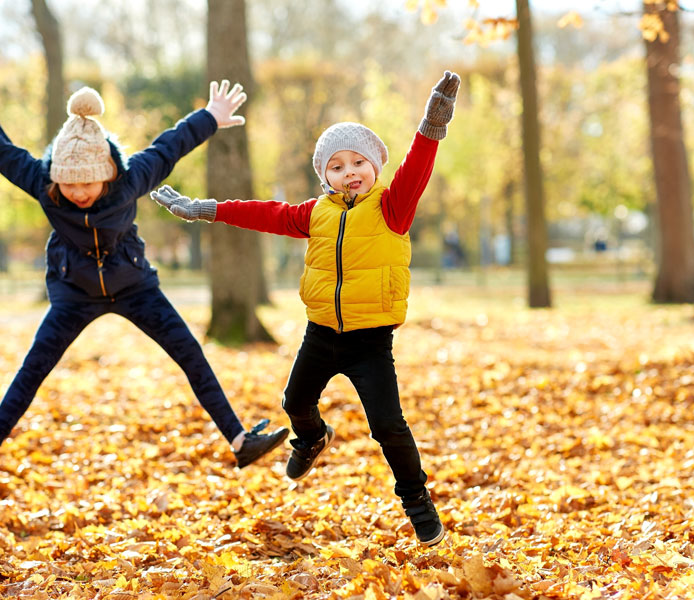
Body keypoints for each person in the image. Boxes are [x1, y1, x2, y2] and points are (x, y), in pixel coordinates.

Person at [0, 69, 289, 478]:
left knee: (189, 353)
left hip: (134, 287)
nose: (78, 194)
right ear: (56, 176)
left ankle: (240, 440)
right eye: (69, 185)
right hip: (73, 291)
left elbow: (170, 146)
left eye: (88, 185)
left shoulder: (131, 180)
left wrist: (211, 115)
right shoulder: (43, 184)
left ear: (108, 172)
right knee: (35, 364)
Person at [151, 70, 461, 545]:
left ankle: (416, 500)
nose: (349, 171)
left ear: (376, 166)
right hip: (320, 333)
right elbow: (263, 212)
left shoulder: (392, 208)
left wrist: (431, 125)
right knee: (294, 402)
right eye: (336, 166)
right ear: (325, 176)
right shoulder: (314, 213)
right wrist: (206, 208)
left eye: (358, 161)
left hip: (369, 341)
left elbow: (417, 168)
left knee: (388, 426)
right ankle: (312, 437)